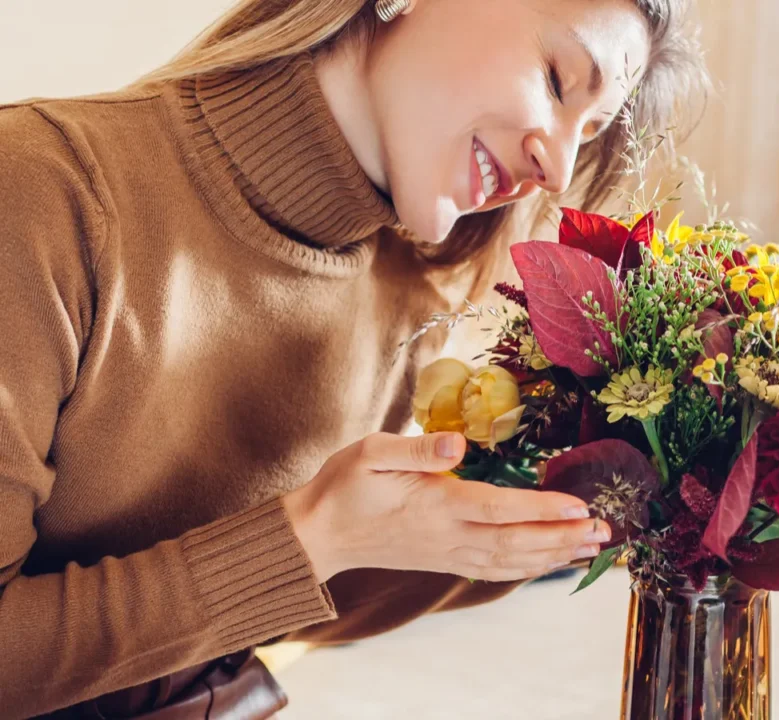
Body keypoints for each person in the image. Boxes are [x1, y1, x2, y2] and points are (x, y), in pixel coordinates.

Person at [0, 0, 705, 716]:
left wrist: (593, 510)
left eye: (585, 137)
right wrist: (313, 537)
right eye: (557, 80)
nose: (555, 168)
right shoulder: (39, 191)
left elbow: (252, 597)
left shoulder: (413, 288)